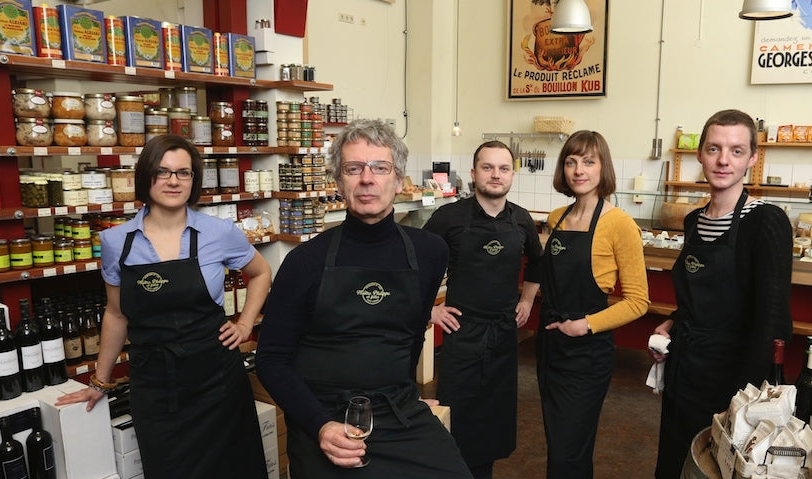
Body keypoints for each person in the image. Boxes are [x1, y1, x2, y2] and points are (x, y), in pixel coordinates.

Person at [255, 119, 473, 479]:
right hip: (324, 417)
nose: (367, 179)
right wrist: (320, 425)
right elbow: (271, 360)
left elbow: (410, 336)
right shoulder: (304, 262)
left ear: (398, 180)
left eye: (380, 168)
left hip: (399, 413)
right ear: (339, 182)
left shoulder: (430, 253)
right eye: (353, 168)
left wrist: (407, 394)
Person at [55, 134, 271, 478]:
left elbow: (260, 272)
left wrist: (245, 324)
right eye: (163, 171)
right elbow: (116, 313)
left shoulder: (218, 232)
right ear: (146, 177)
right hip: (155, 385)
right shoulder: (117, 241)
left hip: (217, 382)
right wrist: (99, 381)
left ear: (193, 180)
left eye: (183, 172)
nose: (173, 181)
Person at [651, 110, 793, 479]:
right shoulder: (693, 221)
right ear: (700, 154)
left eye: (736, 150)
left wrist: (743, 402)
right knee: (674, 462)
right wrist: (673, 323)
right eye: (714, 148)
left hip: (733, 379)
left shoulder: (766, 221)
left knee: (717, 468)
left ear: (752, 158)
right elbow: (699, 297)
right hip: (686, 369)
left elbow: (773, 319)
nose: (723, 160)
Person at [423, 140, 542, 479]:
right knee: (459, 415)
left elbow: (537, 264)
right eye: (487, 167)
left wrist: (526, 300)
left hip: (503, 335)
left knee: (493, 417)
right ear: (474, 173)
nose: (495, 175)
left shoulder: (522, 220)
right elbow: (416, 264)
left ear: (512, 175)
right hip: (463, 334)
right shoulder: (449, 218)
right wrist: (430, 311)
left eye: (503, 168)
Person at [534, 130, 649, 478]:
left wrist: (585, 325)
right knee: (558, 443)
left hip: (586, 353)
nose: (578, 170)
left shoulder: (620, 224)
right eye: (571, 162)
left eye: (588, 161)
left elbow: (638, 302)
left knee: (569, 449)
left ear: (603, 168)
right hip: (549, 345)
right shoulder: (556, 218)